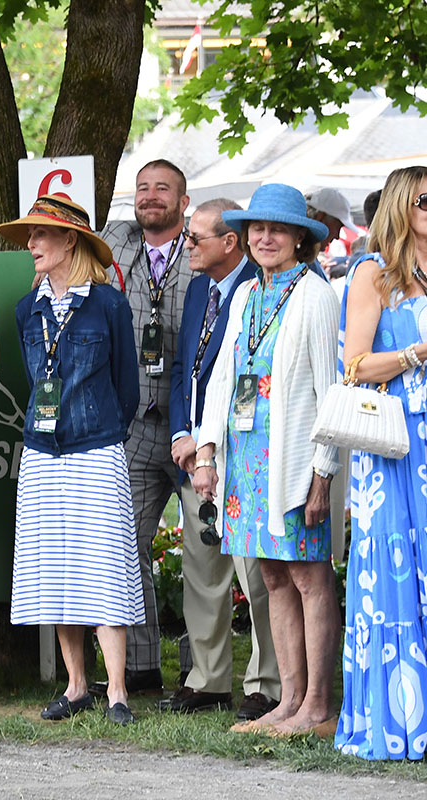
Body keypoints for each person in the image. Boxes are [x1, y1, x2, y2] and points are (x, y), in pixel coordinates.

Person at [192, 183, 341, 736]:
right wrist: (207, 449)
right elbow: (224, 381)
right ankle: (289, 701)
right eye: (257, 228)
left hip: (295, 461)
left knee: (309, 576)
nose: (266, 236)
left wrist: (323, 473)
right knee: (275, 577)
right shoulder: (248, 294)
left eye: (278, 229)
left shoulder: (315, 294)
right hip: (247, 461)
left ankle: (319, 707)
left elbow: (331, 391)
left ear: (300, 238)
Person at [0, 195, 142, 724]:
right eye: (30, 236)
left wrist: (98, 429)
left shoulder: (109, 305)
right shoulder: (25, 308)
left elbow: (128, 387)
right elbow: (36, 382)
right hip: (41, 454)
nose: (31, 245)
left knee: (103, 568)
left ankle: (118, 692)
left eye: (41, 235)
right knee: (56, 570)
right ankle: (77, 686)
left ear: (70, 241)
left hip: (98, 451)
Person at [164, 200, 279, 719]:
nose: (186, 244)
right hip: (194, 457)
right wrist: (182, 435)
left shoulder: (263, 290)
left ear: (229, 242)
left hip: (243, 455)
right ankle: (208, 679)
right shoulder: (195, 290)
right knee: (202, 571)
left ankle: (267, 683)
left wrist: (210, 442)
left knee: (256, 577)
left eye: (196, 237)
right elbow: (184, 370)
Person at [335, 165, 427, 761]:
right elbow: (355, 365)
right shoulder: (374, 273)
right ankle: (398, 722)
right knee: (394, 575)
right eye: (425, 199)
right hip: (395, 446)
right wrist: (418, 352)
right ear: (400, 206)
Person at [99, 159, 193, 693]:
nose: (150, 196)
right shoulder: (118, 242)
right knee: (125, 547)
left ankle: (204, 674)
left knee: (211, 555)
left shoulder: (202, 248)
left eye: (162, 189)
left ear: (183, 200)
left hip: (191, 427)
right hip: (133, 425)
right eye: (142, 188)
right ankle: (139, 668)